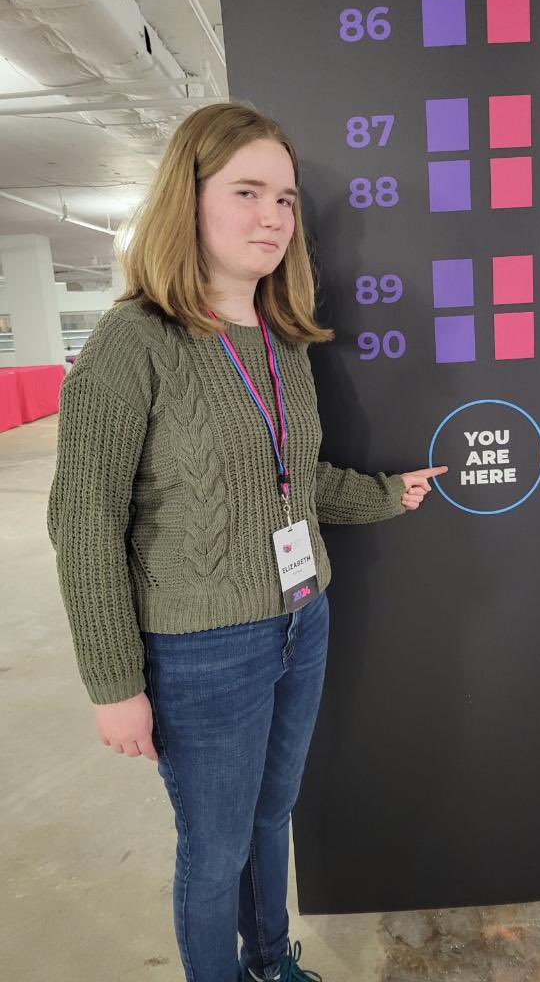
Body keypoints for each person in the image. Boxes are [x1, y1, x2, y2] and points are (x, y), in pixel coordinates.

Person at [46, 100, 447, 982]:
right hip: (200, 648)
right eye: (247, 192)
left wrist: (387, 495)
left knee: (273, 819)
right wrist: (114, 683)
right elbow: (82, 523)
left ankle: (272, 961)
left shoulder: (282, 340)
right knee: (215, 847)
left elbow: (293, 484)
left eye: (287, 200)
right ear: (186, 201)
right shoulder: (131, 342)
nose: (272, 217)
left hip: (303, 621)